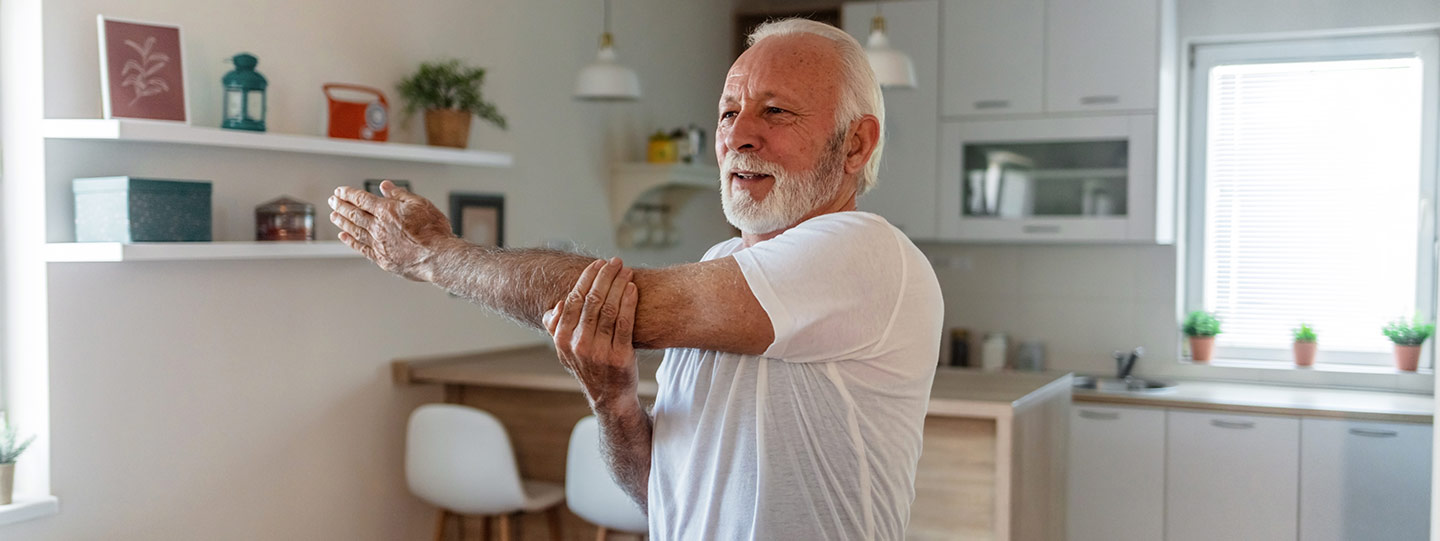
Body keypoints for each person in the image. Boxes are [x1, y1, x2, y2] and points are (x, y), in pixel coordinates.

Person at [328, 18, 941, 540]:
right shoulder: (717, 263)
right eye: (730, 111)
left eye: (775, 111)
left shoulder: (867, 252)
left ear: (856, 144)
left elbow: (625, 305)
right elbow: (662, 498)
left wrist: (434, 256)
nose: (738, 136)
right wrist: (614, 400)